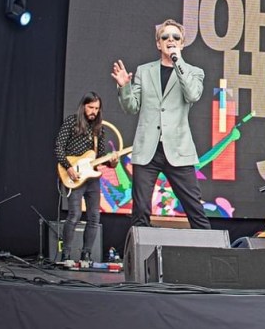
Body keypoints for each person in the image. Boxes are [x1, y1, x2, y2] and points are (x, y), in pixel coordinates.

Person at [112, 19, 212, 230]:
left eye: (176, 37)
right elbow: (131, 107)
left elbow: (192, 95)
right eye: (165, 37)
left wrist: (177, 61)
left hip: (178, 149)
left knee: (195, 209)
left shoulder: (194, 72)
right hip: (148, 149)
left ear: (182, 43)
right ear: (158, 43)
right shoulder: (144, 71)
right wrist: (124, 88)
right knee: (140, 211)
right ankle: (141, 250)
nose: (170, 40)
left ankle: (211, 249)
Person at [54, 92, 108, 263]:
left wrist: (112, 161)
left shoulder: (99, 129)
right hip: (74, 176)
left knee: (94, 218)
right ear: (83, 106)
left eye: (97, 108)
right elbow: (58, 147)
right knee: (74, 215)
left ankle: (86, 255)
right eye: (91, 107)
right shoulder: (71, 122)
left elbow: (101, 156)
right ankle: (66, 255)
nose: (94, 111)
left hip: (92, 178)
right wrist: (68, 167)